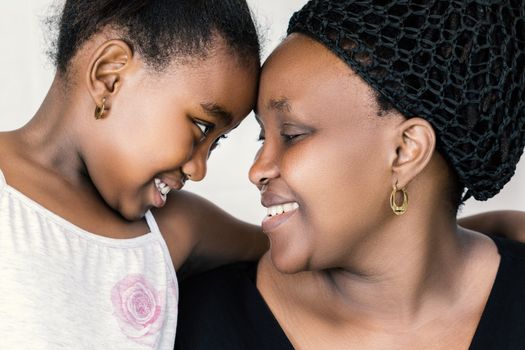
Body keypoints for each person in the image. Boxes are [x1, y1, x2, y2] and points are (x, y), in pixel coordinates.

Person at [175, 1, 525, 349]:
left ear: (405, 151)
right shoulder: (189, 321)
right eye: (262, 136)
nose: (258, 170)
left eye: (292, 134)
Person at [0, 0, 268, 348]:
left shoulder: (173, 229)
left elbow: (293, 247)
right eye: (202, 129)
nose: (198, 169)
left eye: (215, 144)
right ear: (109, 76)